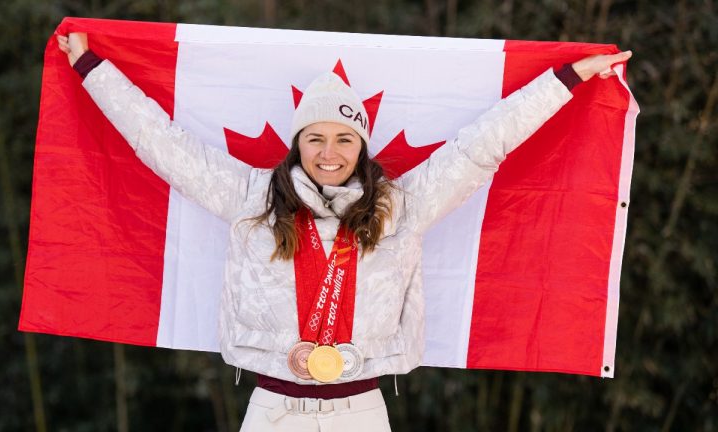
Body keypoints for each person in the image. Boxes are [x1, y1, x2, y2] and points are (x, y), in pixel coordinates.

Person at [57, 31, 631, 431]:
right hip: (272, 410)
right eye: (315, 139)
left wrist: (567, 77)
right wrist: (89, 67)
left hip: (361, 411)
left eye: (344, 140)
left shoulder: (398, 207)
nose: (329, 154)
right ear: (297, 144)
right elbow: (161, 143)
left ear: (361, 147)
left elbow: (482, 146)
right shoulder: (252, 198)